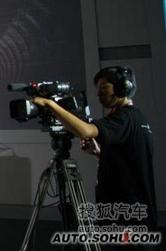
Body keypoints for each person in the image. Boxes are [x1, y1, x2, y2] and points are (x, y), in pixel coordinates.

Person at [31, 66, 157, 232]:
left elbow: (85, 130)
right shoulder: (136, 117)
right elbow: (129, 160)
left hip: (128, 219)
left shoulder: (124, 117)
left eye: (104, 87)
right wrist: (98, 153)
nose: (98, 94)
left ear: (122, 88)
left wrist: (50, 105)